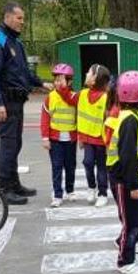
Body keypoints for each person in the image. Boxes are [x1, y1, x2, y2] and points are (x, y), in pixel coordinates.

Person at [0, 1, 54, 205]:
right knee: (8, 145)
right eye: (19, 18)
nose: (22, 22)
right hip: (5, 100)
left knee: (15, 144)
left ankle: (14, 184)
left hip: (17, 101)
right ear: (7, 17)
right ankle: (4, 189)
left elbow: (24, 72)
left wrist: (41, 83)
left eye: (23, 18)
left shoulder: (16, 43)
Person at [104, 71, 138, 274]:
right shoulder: (128, 120)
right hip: (124, 179)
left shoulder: (135, 116)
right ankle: (125, 260)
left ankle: (124, 241)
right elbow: (126, 156)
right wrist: (133, 185)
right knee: (132, 222)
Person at [39, 63, 79, 207]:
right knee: (56, 167)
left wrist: (64, 89)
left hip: (71, 139)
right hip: (55, 140)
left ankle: (70, 190)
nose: (57, 83)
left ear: (69, 82)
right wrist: (45, 138)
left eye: (61, 80)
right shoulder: (50, 97)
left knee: (70, 166)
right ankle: (57, 194)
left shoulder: (74, 96)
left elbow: (70, 100)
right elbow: (45, 119)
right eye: (55, 80)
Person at [76, 64, 112, 207]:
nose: (86, 73)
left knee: (102, 167)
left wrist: (109, 142)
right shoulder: (83, 94)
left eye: (88, 72)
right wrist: (80, 137)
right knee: (88, 162)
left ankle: (102, 193)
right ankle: (91, 187)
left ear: (95, 78)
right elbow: (79, 114)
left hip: (101, 139)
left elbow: (110, 121)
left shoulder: (105, 98)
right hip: (87, 138)